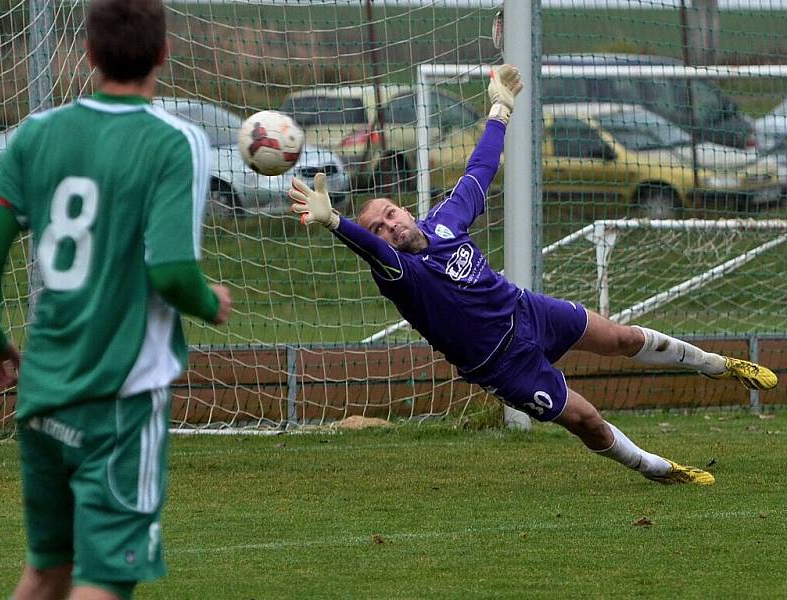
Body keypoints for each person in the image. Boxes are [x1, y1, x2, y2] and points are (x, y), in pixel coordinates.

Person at [288, 63, 778, 488]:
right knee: (586, 419)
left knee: (623, 336)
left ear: (405, 211)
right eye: (380, 226)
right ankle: (658, 468)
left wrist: (500, 110)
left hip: (528, 312)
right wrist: (336, 223)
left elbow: (480, 169)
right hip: (503, 365)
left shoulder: (443, 221)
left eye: (392, 214)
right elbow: (372, 249)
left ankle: (720, 365)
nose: (391, 226)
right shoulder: (400, 274)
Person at [0, 1, 232, 598]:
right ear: (164, 53)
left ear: (90, 54)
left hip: (43, 392)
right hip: (118, 402)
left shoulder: (35, 136)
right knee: (103, 580)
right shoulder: (178, 142)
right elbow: (172, 271)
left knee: (47, 573)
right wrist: (209, 300)